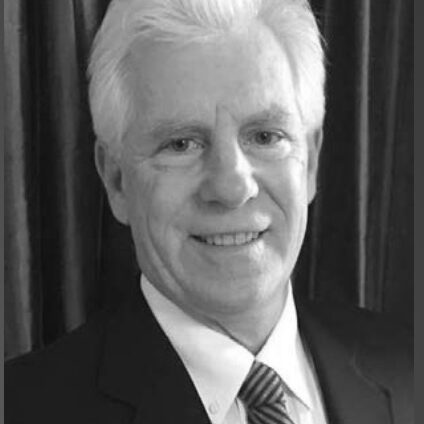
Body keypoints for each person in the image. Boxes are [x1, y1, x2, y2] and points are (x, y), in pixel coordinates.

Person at [5, 0, 412, 423]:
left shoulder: (409, 371)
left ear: (309, 163)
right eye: (181, 144)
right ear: (116, 180)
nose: (231, 188)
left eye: (265, 136)